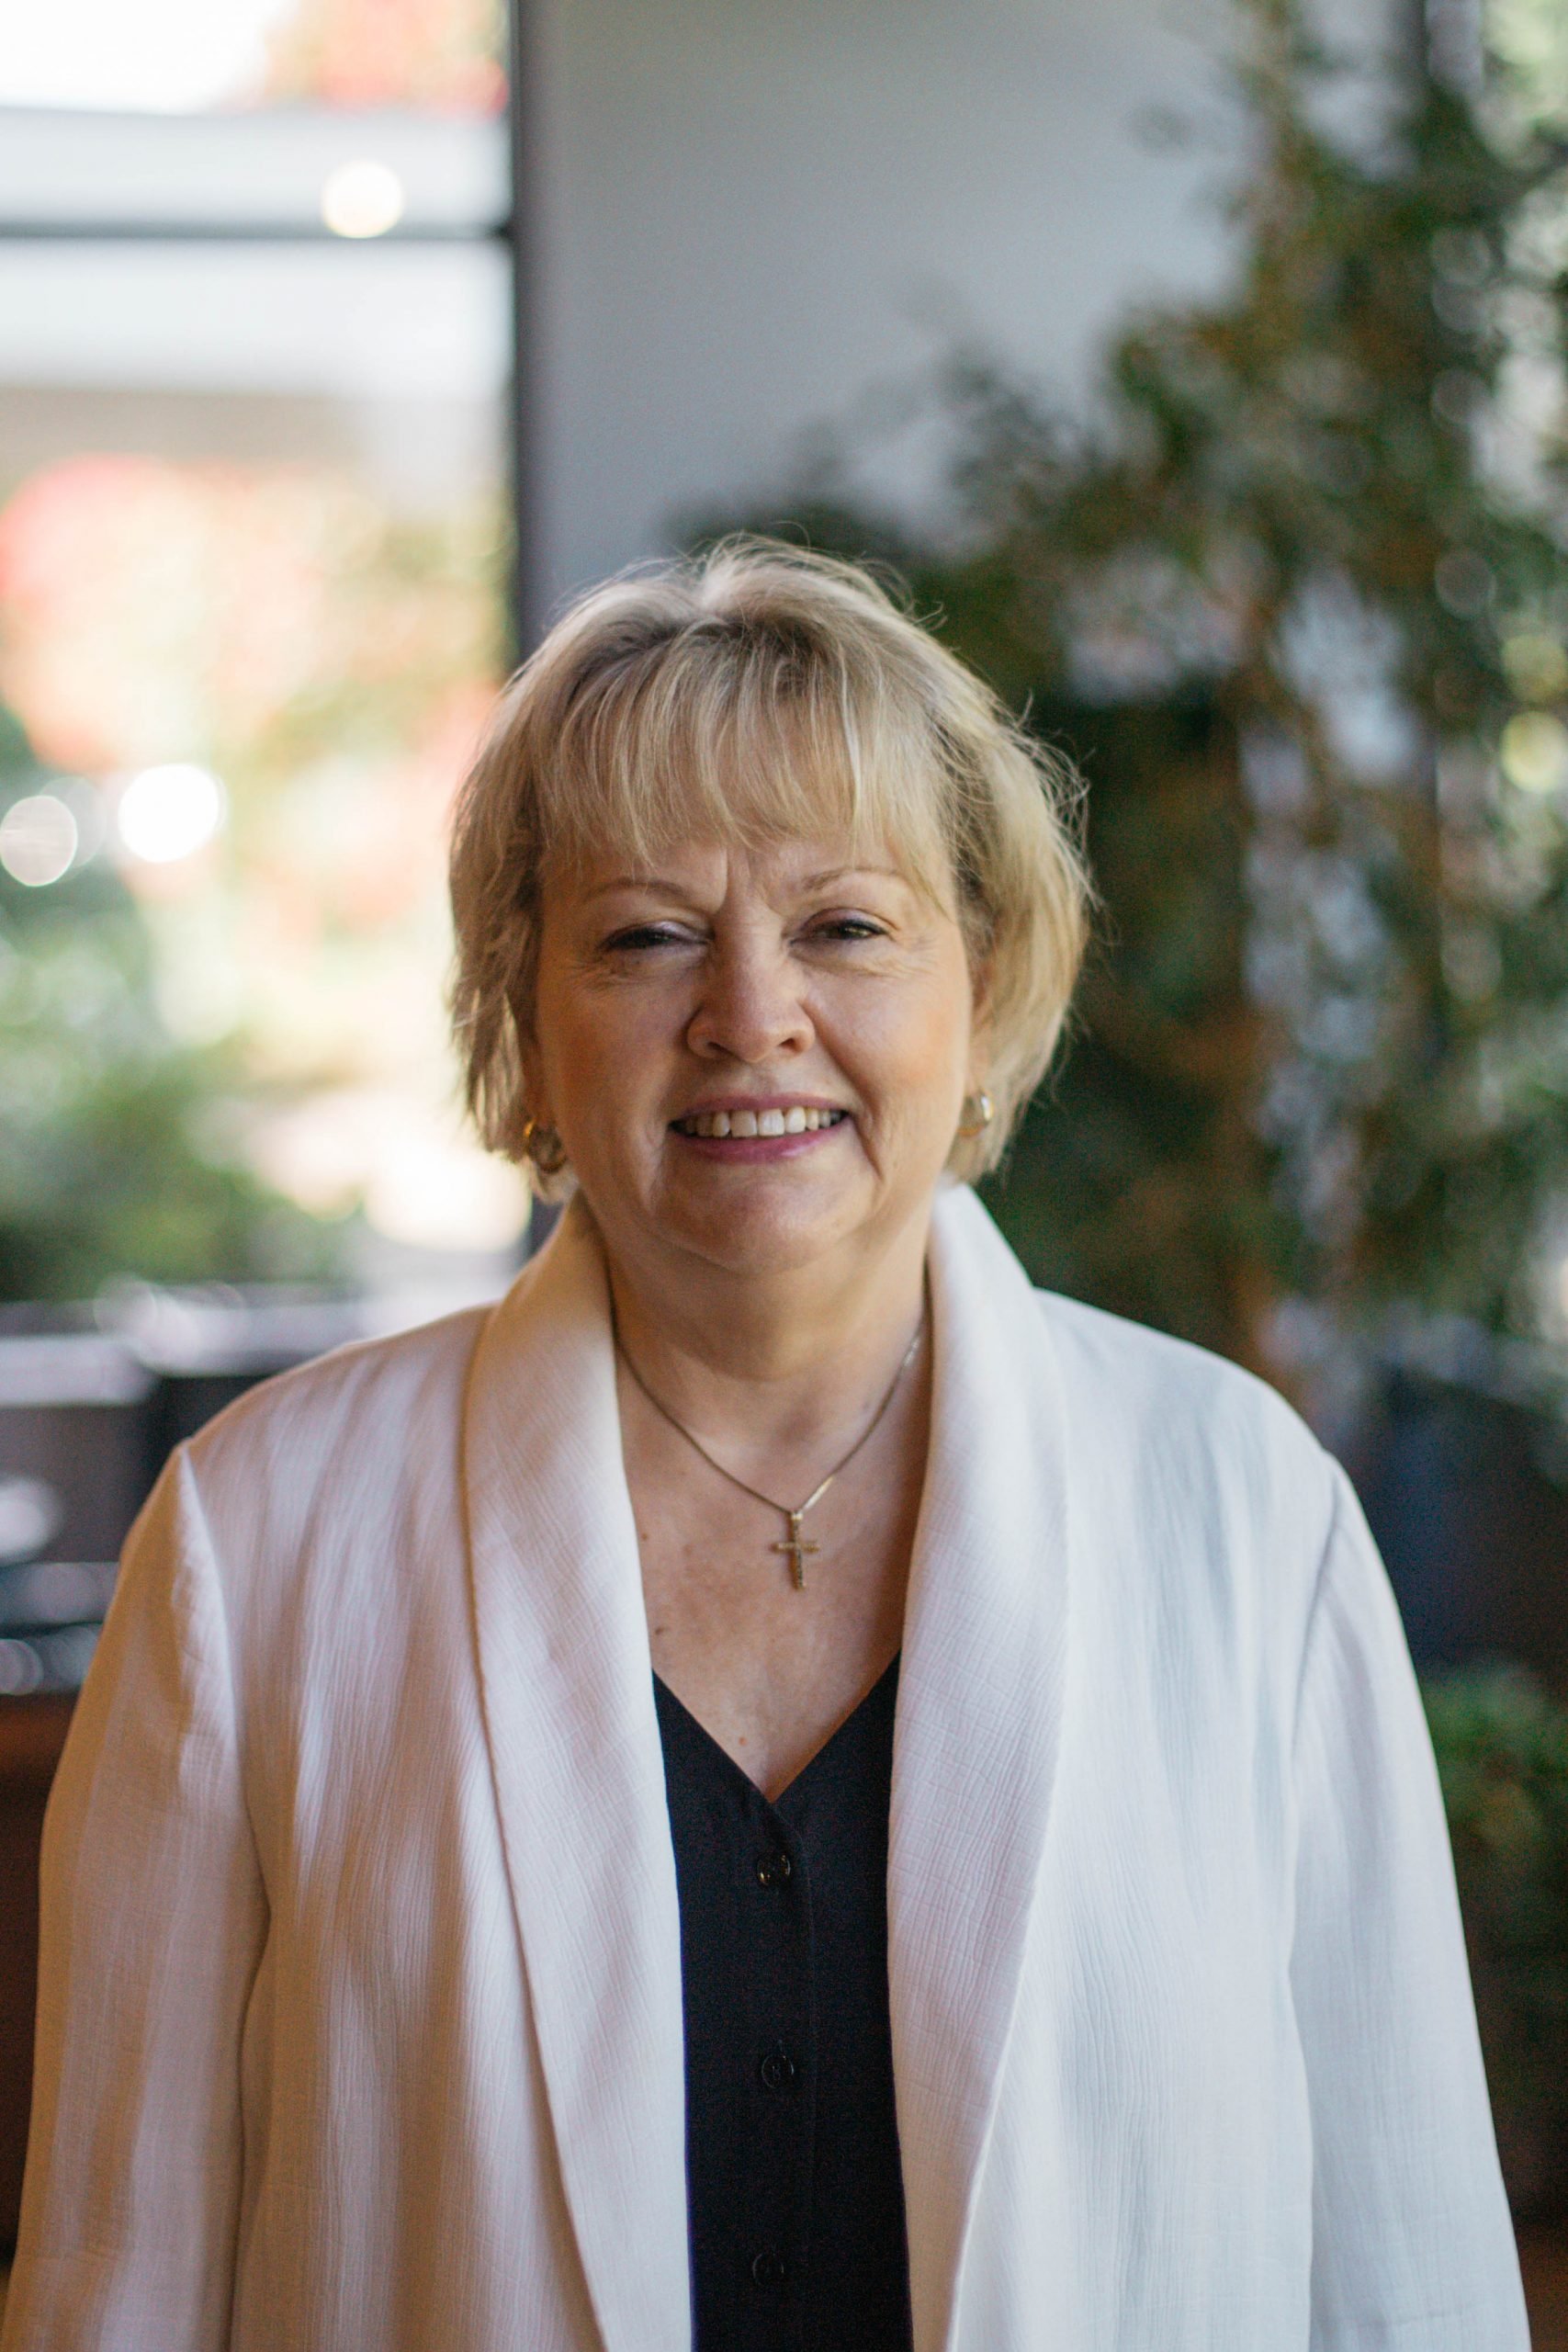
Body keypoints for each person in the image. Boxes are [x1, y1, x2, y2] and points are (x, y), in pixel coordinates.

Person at [3, 542, 1527, 2352]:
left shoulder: (1239, 1508)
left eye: (845, 926)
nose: (748, 1014)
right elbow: (117, 2279)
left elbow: (1407, 2274)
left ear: (982, 984)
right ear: (524, 1013)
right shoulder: (259, 1536)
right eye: (645, 934)